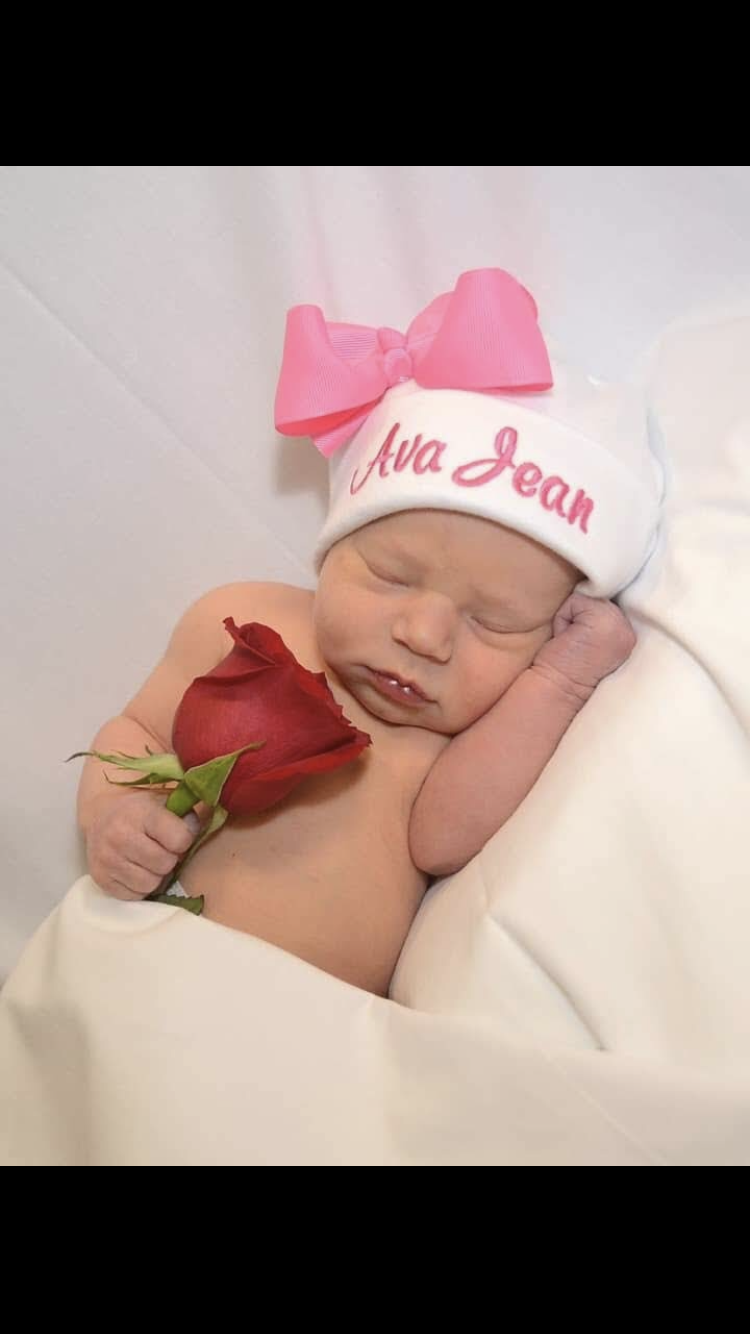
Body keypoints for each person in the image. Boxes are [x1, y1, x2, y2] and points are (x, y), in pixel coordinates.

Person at [76, 269, 662, 996]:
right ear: (336, 542)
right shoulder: (244, 618)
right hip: (128, 966)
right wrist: (113, 815)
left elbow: (441, 840)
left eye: (493, 622)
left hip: (309, 1024)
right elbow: (135, 731)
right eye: (391, 575)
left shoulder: (464, 727)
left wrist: (561, 679)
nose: (424, 635)